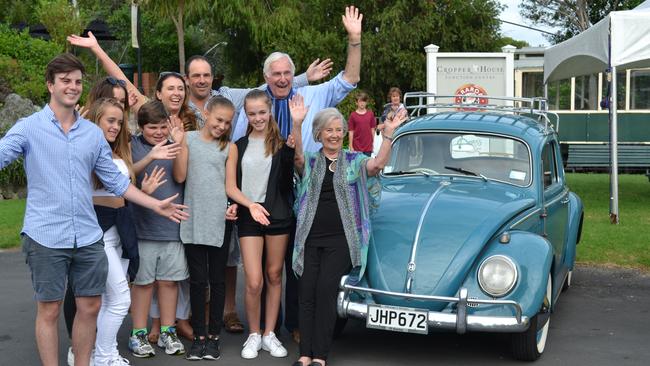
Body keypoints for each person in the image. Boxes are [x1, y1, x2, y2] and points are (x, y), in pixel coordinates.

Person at [0, 53, 188, 366]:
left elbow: (118, 182)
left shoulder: (91, 134)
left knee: (90, 307)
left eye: (77, 81)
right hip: (45, 235)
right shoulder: (28, 128)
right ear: (50, 85)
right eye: (65, 81)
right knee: (49, 309)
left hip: (88, 237)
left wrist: (156, 203)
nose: (72, 87)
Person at [288, 94, 407, 366]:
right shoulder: (311, 160)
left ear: (344, 133)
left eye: (338, 130)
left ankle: (320, 356)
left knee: (327, 290)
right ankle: (305, 355)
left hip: (342, 239)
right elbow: (296, 159)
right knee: (306, 293)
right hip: (309, 237)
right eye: (328, 130)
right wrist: (297, 124)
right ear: (318, 134)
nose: (334, 134)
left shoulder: (354, 160)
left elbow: (376, 166)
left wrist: (388, 135)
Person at [85, 97, 164, 366]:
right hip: (100, 231)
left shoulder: (116, 151)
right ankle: (102, 356)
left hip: (121, 230)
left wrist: (143, 193)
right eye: (110, 120)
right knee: (120, 299)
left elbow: (123, 188)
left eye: (119, 122)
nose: (116, 126)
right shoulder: (87, 151)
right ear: (95, 119)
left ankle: (102, 354)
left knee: (110, 300)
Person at [232, 5, 363, 153]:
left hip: (305, 174)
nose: (283, 79)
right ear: (266, 77)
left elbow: (350, 79)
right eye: (276, 74)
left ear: (293, 75)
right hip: (266, 175)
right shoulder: (253, 106)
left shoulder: (313, 95)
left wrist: (354, 40)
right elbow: (237, 146)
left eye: (287, 73)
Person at [225, 90, 295, 359]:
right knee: (254, 281)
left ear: (270, 112)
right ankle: (254, 334)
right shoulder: (237, 146)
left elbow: (288, 181)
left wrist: (296, 131)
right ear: (246, 114)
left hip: (278, 217)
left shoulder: (281, 143)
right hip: (248, 217)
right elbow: (230, 186)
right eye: (251, 113)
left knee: (275, 276)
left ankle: (269, 334)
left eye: (262, 112)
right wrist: (248, 205)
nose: (257, 118)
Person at [172, 96, 239, 360]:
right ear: (207, 113)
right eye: (218, 119)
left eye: (227, 122)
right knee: (197, 282)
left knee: (218, 281)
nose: (221, 126)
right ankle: (198, 337)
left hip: (219, 222)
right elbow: (180, 176)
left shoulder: (229, 148)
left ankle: (213, 337)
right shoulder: (187, 139)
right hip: (193, 219)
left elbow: (230, 186)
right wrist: (178, 144)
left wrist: (237, 204)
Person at [127, 100, 190, 358]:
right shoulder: (133, 146)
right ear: (141, 127)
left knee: (168, 282)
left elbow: (180, 177)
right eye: (153, 127)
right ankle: (138, 334)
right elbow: (124, 177)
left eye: (163, 127)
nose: (159, 132)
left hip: (171, 228)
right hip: (142, 229)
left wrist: (179, 144)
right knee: (142, 283)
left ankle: (168, 330)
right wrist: (146, 182)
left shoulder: (173, 144)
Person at [184, 55, 333, 128]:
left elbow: (262, 90)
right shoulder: (180, 107)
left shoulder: (226, 96)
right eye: (196, 76)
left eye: (206, 75)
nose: (202, 80)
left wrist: (305, 78)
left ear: (212, 77)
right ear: (186, 79)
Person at [347, 91, 376, 156]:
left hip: (368, 147)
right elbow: (351, 132)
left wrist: (374, 144)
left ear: (366, 102)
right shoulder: (353, 115)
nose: (362, 103)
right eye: (360, 101)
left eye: (364, 101)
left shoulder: (370, 114)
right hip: (356, 147)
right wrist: (351, 146)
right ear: (356, 103)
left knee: (367, 165)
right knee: (357, 165)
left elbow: (372, 130)